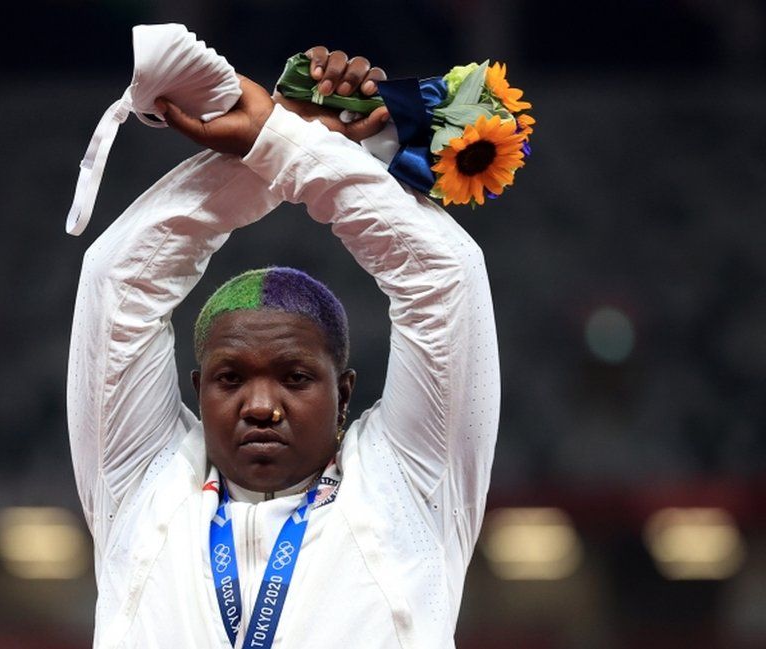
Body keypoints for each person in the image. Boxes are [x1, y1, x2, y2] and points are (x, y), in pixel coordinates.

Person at [66, 47, 500, 648]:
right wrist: (282, 141)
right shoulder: (141, 482)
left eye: (295, 378)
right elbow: (120, 280)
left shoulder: (410, 484)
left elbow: (443, 278)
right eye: (230, 379)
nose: (261, 405)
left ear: (343, 392)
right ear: (197, 390)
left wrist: (279, 142)